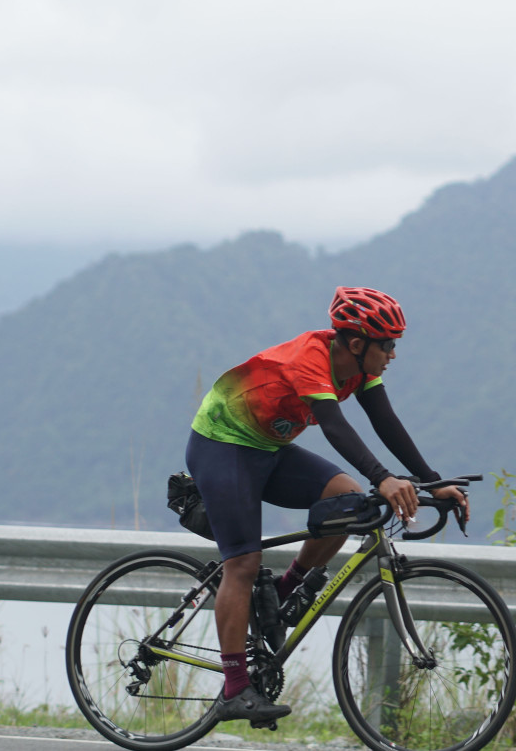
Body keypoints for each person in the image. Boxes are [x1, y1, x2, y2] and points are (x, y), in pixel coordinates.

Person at [186, 286, 469, 725]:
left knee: (345, 499)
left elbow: (385, 421)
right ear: (356, 345)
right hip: (223, 445)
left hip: (268, 448)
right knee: (242, 564)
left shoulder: (359, 370)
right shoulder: (310, 358)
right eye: (387, 345)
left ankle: (282, 595)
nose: (393, 354)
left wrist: (433, 481)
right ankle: (234, 688)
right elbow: (335, 427)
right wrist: (384, 478)